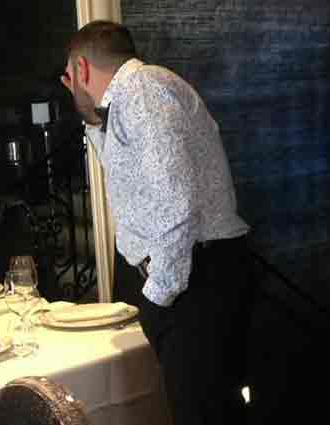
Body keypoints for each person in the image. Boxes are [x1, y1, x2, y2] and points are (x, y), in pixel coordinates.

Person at [61, 21, 256, 425]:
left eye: (70, 73)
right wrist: (93, 120)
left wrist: (158, 296)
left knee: (203, 414)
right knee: (203, 410)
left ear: (81, 68)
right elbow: (124, 170)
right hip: (190, 273)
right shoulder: (132, 97)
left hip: (194, 278)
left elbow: (176, 203)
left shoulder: (142, 91)